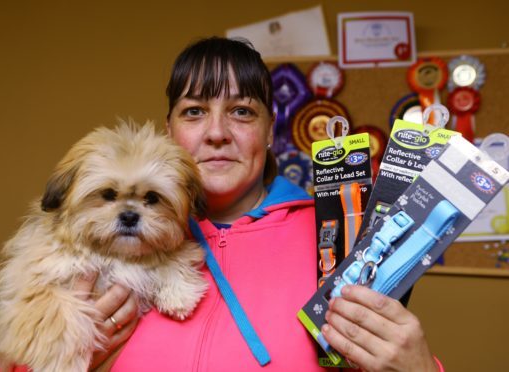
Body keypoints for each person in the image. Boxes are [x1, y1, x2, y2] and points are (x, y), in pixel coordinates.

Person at [83, 36, 442, 371]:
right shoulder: (108, 230)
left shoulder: (338, 238)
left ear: (270, 131)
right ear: (168, 131)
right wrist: (67, 352)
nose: (217, 132)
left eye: (241, 111)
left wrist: (422, 367)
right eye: (194, 112)